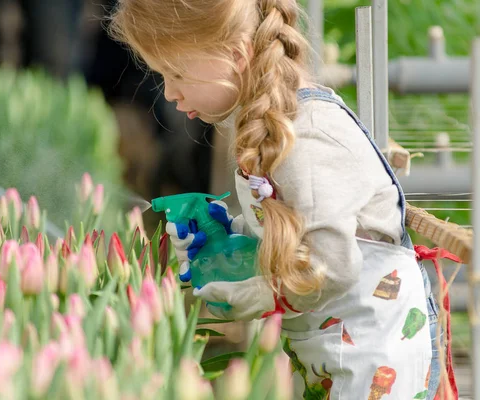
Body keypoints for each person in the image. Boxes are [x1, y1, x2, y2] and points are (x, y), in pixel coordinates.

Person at [109, 0, 455, 398]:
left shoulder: (306, 136)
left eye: (176, 73)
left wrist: (260, 293)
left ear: (237, 55)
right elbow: (299, 225)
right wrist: (233, 234)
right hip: (339, 355)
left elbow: (334, 265)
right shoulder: (277, 125)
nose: (169, 93)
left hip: (378, 362)